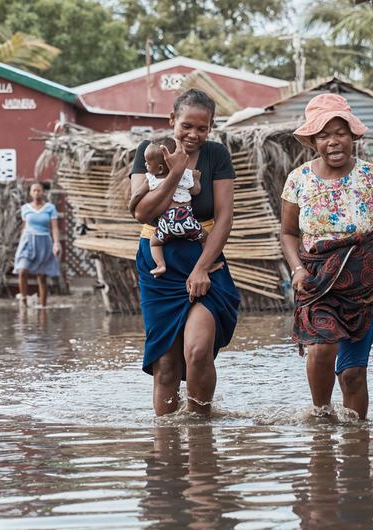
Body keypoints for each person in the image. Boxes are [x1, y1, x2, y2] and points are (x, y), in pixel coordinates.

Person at [279, 93, 373, 420]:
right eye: (324, 135)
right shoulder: (298, 180)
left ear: (353, 135)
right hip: (317, 284)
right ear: (313, 140)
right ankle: (321, 420)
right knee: (320, 349)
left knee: (352, 375)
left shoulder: (371, 176)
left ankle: (357, 450)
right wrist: (297, 270)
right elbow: (288, 233)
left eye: (340, 132)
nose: (333, 141)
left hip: (364, 289)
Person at [129, 89, 241, 417]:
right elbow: (143, 213)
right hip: (159, 261)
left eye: (202, 128)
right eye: (186, 126)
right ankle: (167, 452)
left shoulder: (217, 156)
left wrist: (203, 268)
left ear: (210, 128)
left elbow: (224, 218)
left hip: (204, 259)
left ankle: (201, 436)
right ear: (171, 121)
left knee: (198, 350)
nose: (193, 134)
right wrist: (176, 172)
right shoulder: (148, 152)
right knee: (165, 365)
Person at [143, 137, 204, 277]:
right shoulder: (186, 174)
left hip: (166, 224)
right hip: (186, 221)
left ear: (159, 169)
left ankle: (160, 265)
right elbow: (196, 191)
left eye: (147, 163)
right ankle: (205, 264)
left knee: (154, 243)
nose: (145, 165)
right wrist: (196, 179)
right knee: (205, 237)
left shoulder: (152, 179)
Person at [13, 182, 61, 308]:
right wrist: (20, 245)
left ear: (43, 192)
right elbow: (24, 227)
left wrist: (56, 243)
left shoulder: (50, 208)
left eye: (39, 190)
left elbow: (55, 228)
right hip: (27, 241)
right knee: (22, 270)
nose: (36, 193)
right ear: (30, 193)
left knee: (42, 276)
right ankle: (23, 301)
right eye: (34, 190)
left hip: (44, 242)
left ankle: (43, 307)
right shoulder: (25, 208)